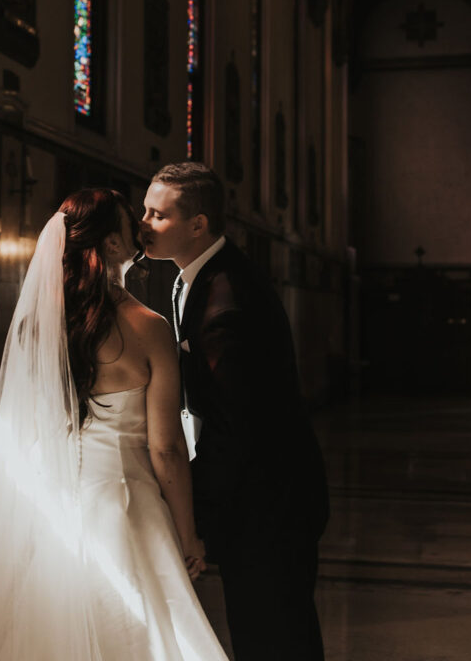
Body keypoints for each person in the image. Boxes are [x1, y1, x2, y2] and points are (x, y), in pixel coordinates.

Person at [0, 188, 228, 661]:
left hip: (53, 506)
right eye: (133, 224)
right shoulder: (147, 326)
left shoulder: (42, 325)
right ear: (111, 244)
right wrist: (189, 535)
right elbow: (166, 447)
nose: (142, 230)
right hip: (124, 505)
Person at [141, 162, 330, 661]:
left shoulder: (225, 306)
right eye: (144, 210)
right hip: (265, 496)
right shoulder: (203, 277)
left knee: (273, 639)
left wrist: (191, 516)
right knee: (271, 634)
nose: (143, 223)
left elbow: (235, 429)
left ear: (198, 224)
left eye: (157, 215)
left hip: (268, 506)